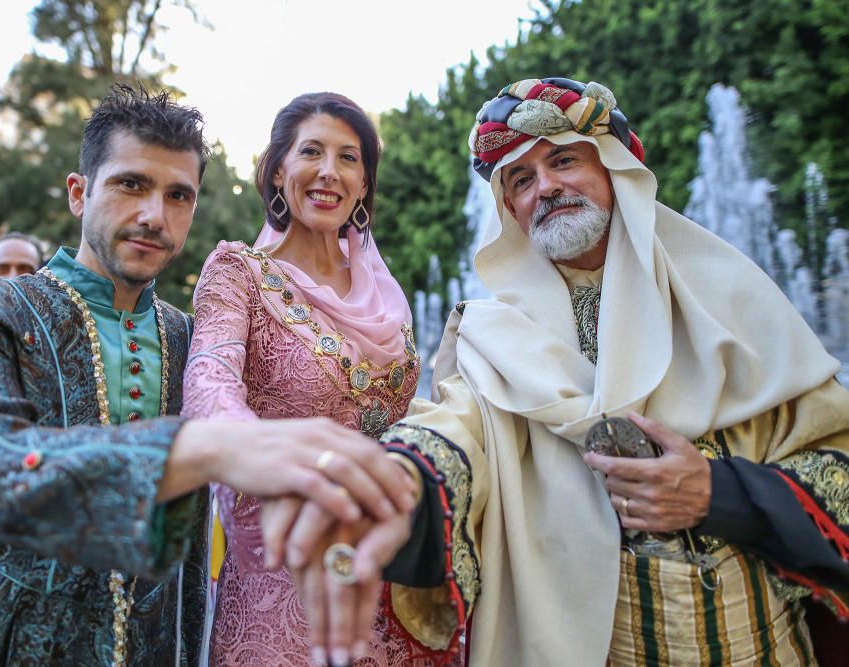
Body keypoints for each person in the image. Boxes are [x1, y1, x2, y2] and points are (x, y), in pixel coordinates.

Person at [288, 77, 849, 665]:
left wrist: (716, 493)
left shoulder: (730, 298)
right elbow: (453, 431)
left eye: (563, 161)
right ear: (509, 209)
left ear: (614, 172)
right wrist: (389, 482)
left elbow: (833, 461)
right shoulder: (497, 333)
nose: (546, 187)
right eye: (521, 180)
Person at [0, 84, 412, 667]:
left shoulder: (185, 336)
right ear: (79, 193)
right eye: (131, 184)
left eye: (178, 195)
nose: (154, 215)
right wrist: (208, 445)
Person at [182, 92, 448, 666]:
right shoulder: (240, 274)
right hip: (282, 590)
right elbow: (209, 382)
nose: (330, 172)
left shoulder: (384, 291)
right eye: (311, 152)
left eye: (349, 158)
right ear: (278, 169)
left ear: (364, 183)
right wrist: (260, 450)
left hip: (395, 589)